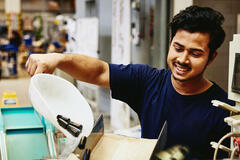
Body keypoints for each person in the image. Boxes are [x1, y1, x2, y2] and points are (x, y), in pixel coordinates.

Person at [26, 5, 234, 159]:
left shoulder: (224, 111)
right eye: (178, 48)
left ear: (211, 57)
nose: (182, 59)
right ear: (170, 44)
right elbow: (99, 71)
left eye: (195, 53)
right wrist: (58, 58)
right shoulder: (149, 82)